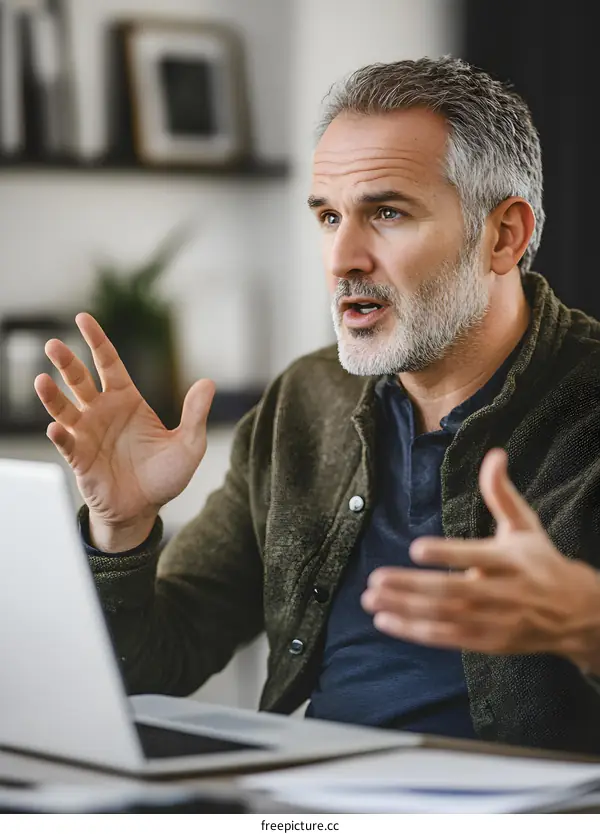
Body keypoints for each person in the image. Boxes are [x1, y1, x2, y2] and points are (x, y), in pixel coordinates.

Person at [34, 57, 600, 754]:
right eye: (329, 217)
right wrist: (121, 529)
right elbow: (157, 661)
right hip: (312, 808)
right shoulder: (306, 400)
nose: (342, 258)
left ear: (504, 236)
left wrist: (587, 627)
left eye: (386, 213)